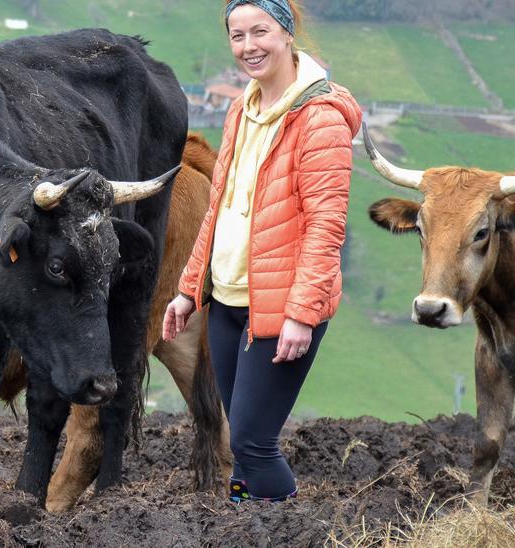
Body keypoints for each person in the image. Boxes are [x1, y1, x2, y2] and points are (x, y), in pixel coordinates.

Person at [162, 0, 362, 502]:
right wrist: (189, 290)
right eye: (237, 36)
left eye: (260, 32)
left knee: (253, 442)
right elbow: (218, 209)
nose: (249, 47)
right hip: (227, 302)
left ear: (287, 34)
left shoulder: (320, 120)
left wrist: (301, 313)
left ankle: (286, 530)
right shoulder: (241, 108)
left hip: (279, 309)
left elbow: (325, 227)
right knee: (241, 438)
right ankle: (247, 525)